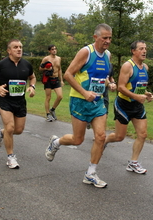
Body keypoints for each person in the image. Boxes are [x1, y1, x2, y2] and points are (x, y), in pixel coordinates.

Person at [45, 23, 115, 188]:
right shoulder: (86, 52)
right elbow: (69, 75)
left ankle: (90, 173)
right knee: (78, 140)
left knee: (101, 136)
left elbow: (100, 76)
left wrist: (109, 83)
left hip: (97, 102)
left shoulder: (108, 55)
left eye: (110, 38)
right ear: (95, 37)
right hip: (80, 100)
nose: (107, 41)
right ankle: (56, 143)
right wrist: (84, 93)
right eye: (104, 37)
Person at [104, 40, 153, 174]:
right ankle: (105, 140)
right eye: (141, 48)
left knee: (142, 134)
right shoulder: (127, 66)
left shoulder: (145, 67)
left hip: (137, 106)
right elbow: (120, 87)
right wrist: (137, 96)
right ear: (133, 51)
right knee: (120, 137)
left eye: (145, 48)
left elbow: (139, 87)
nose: (144, 51)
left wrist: (146, 94)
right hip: (123, 105)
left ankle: (133, 162)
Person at [0, 39, 36, 169]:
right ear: (9, 50)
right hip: (5, 100)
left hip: (20, 101)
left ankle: (0, 133)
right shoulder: (1, 64)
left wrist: (32, 87)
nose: (19, 49)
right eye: (15, 47)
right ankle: (11, 157)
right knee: (10, 127)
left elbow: (33, 77)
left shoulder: (26, 64)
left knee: (18, 130)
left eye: (20, 47)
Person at [39, 44, 64, 122]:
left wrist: (61, 80)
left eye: (55, 49)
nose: (54, 50)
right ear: (49, 51)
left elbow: (59, 69)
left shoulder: (59, 58)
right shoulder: (46, 58)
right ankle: (48, 115)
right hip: (48, 79)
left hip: (56, 79)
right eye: (52, 49)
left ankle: (52, 110)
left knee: (60, 96)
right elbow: (40, 68)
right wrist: (46, 68)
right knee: (48, 97)